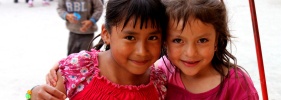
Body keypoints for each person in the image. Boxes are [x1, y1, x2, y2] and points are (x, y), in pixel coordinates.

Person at [44, 0, 259, 99]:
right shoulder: (163, 74)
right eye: (178, 40)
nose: (141, 51)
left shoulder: (157, 80)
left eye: (202, 40)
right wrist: (34, 92)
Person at [27, 0, 168, 99]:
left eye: (153, 38)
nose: (141, 51)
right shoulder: (79, 69)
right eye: (130, 37)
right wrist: (33, 93)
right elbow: (41, 95)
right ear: (106, 34)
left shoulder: (159, 83)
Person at [155, 0, 259, 99]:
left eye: (202, 40)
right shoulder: (159, 74)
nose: (191, 53)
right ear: (165, 42)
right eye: (178, 40)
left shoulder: (237, 85)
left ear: (217, 40)